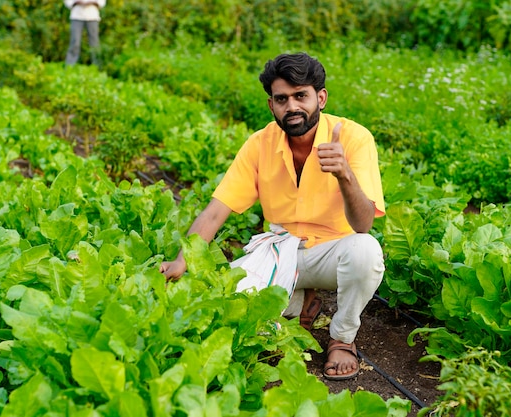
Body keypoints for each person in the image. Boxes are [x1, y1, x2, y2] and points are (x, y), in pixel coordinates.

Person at [160, 52, 386, 381]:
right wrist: (182, 261)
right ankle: (299, 305)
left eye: (300, 96)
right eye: (282, 99)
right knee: (229, 306)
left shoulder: (353, 138)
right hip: (281, 250)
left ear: (320, 98)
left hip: (334, 253)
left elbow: (364, 224)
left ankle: (342, 338)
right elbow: (216, 210)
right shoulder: (260, 144)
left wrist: (345, 175)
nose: (291, 107)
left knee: (366, 251)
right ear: (271, 106)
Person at [64, 0, 106, 67]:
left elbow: (101, 2)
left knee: (94, 42)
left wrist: (91, 2)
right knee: (75, 41)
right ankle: (69, 65)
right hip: (76, 16)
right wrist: (77, 2)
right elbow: (68, 2)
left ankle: (98, 65)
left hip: (92, 16)